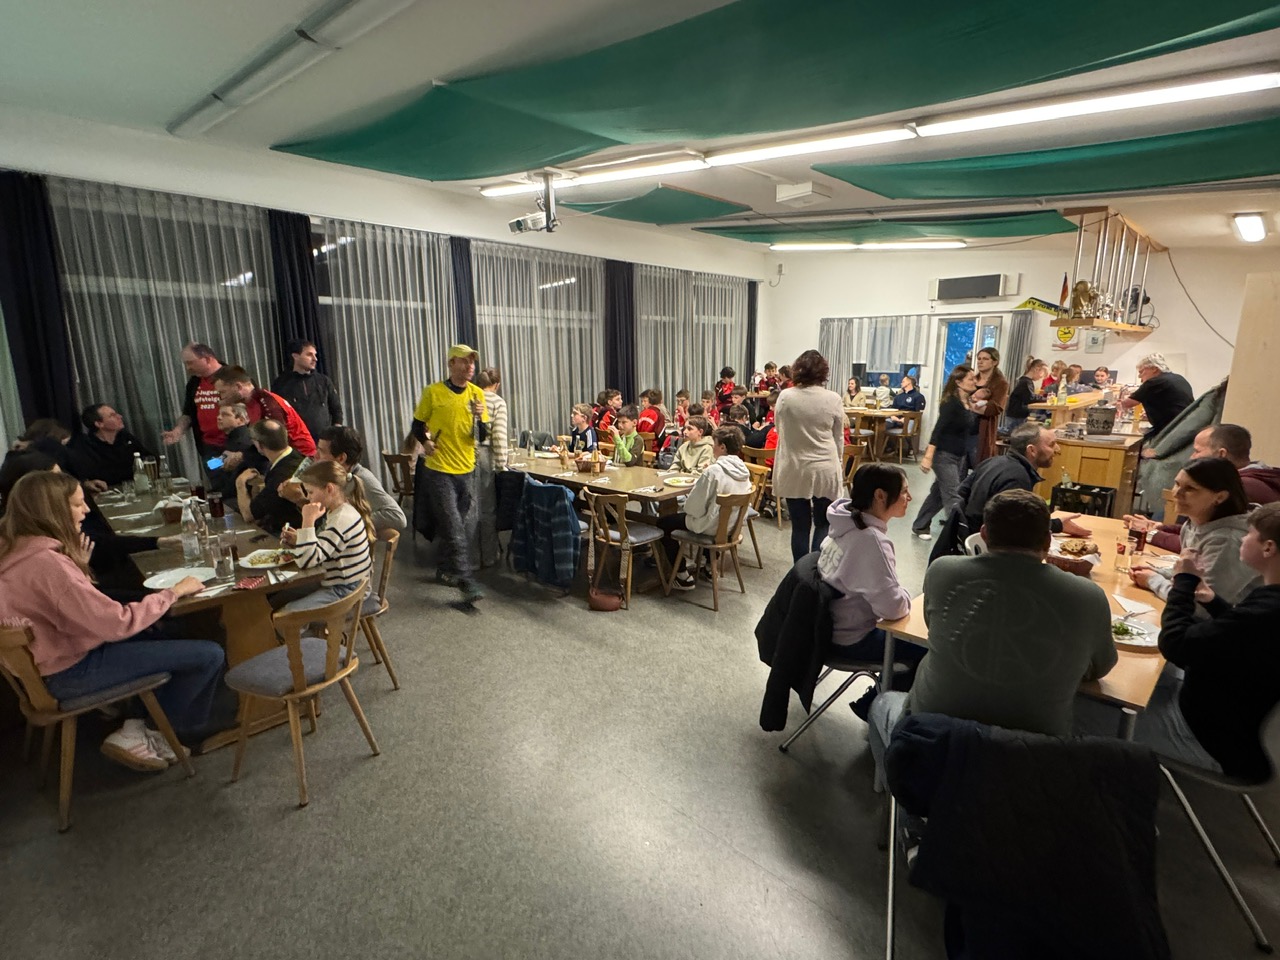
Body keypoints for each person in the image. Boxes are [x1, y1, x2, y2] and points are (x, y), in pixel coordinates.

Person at [868, 490, 1117, 773]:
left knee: (882, 702)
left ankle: (898, 794)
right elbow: (1101, 667)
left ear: (984, 534)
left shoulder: (942, 571)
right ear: (1048, 541)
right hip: (1030, 761)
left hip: (931, 744)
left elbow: (931, 624)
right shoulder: (1088, 597)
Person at [0, 471, 221, 770]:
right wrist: (174, 592)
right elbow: (117, 624)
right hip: (69, 672)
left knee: (158, 631)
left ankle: (137, 723)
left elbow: (75, 614)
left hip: (42, 669)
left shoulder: (12, 551)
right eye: (77, 504)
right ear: (52, 510)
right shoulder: (47, 564)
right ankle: (153, 732)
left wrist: (78, 569)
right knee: (208, 654)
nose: (86, 510)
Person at [1149, 502, 1280, 779]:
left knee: (1078, 708)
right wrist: (1214, 602)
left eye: (1249, 533)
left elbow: (1175, 644)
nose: (1242, 538)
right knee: (1151, 678)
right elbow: (1242, 637)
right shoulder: (1270, 601)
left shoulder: (1267, 611)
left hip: (1209, 741)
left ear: (1268, 548)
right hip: (1229, 721)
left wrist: (1184, 582)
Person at [818, 464, 926, 680]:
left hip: (828, 629)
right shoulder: (871, 541)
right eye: (904, 491)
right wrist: (905, 594)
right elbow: (894, 608)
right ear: (880, 496)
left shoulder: (844, 522)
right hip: (853, 639)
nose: (910, 498)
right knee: (929, 647)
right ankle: (879, 698)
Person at [406, 343, 489, 604]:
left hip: (467, 471)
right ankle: (466, 581)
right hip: (439, 471)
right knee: (454, 527)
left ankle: (444, 569)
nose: (470, 366)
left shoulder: (477, 394)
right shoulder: (433, 392)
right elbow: (417, 426)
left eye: (472, 362)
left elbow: (481, 436)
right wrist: (426, 442)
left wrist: (480, 418)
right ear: (452, 363)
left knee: (456, 526)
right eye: (464, 361)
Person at [928, 423, 1091, 554]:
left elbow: (961, 494)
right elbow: (1015, 527)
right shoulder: (1018, 478)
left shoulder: (992, 462)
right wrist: (1056, 526)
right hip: (988, 552)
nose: (1057, 450)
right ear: (1032, 450)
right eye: (1052, 445)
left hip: (966, 542)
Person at [1129, 458, 1261, 606]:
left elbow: (1200, 606)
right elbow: (1192, 575)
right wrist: (1158, 572)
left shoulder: (1228, 540)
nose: (1176, 493)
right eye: (1177, 484)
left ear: (1220, 497)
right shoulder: (1192, 523)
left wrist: (1153, 580)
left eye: (1190, 488)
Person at [1129, 424, 1280, 551]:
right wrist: (1161, 528)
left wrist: (1151, 534)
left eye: (1197, 451)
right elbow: (1200, 531)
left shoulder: (1241, 488)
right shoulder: (1256, 476)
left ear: (1221, 454)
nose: (1191, 457)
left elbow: (1203, 546)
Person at [657, 425, 752, 590]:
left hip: (710, 527)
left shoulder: (714, 472)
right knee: (713, 513)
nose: (712, 447)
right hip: (731, 527)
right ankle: (709, 567)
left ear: (722, 447)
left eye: (714, 444)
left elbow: (693, 509)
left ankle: (681, 575)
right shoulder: (744, 471)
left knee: (663, 523)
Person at [772, 349, 845, 562]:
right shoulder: (833, 398)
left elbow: (779, 427)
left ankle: (800, 571)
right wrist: (839, 463)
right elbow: (838, 437)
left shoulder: (786, 397)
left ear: (797, 370)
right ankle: (816, 570)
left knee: (800, 526)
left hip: (794, 466)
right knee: (823, 523)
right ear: (823, 372)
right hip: (825, 465)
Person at [278, 461, 374, 612]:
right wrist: (300, 539)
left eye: (310, 492)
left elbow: (306, 561)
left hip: (346, 590)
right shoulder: (338, 510)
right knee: (280, 596)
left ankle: (307, 629)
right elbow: (324, 548)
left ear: (329, 489)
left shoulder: (341, 519)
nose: (308, 497)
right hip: (340, 583)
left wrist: (308, 520)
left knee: (287, 612)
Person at [280, 425, 406, 534]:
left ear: (341, 458)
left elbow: (397, 517)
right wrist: (300, 501)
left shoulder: (361, 478)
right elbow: (326, 523)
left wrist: (351, 523)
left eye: (321, 451)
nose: (315, 456)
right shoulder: (332, 478)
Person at [911, 365, 977, 540]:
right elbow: (938, 430)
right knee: (953, 495)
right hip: (944, 456)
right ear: (959, 382)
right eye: (970, 379)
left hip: (959, 456)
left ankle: (920, 525)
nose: (974, 382)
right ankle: (958, 536)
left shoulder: (967, 403)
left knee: (938, 494)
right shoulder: (951, 404)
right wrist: (928, 456)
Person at [213, 366, 317, 457]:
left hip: (300, 457)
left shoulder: (268, 404)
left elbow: (276, 444)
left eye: (223, 392)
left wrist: (241, 457)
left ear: (239, 387)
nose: (221, 397)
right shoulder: (253, 403)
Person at [234, 420, 304, 535]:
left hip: (287, 532)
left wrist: (240, 483)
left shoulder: (281, 474)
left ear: (259, 445)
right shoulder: (295, 456)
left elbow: (249, 515)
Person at [270, 339, 343, 440]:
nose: (315, 359)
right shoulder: (281, 384)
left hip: (324, 441)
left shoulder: (324, 381)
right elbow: (277, 414)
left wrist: (336, 433)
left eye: (315, 355)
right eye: (309, 355)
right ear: (295, 356)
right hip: (297, 442)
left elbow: (336, 409)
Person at [68, 403, 154, 487]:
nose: (120, 416)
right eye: (112, 415)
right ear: (99, 424)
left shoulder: (126, 438)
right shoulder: (86, 446)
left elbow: (148, 458)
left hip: (135, 487)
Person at [162, 342, 225, 456]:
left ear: (207, 359)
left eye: (190, 363)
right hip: (208, 448)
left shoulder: (233, 377)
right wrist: (178, 431)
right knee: (215, 467)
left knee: (234, 468)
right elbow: (188, 414)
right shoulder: (194, 383)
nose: (188, 368)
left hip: (234, 447)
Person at [473, 367, 508, 567]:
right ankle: (487, 556)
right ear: (496, 384)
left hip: (465, 456)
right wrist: (502, 466)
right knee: (487, 509)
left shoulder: (470, 398)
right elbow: (499, 436)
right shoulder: (497, 402)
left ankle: (470, 558)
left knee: (469, 508)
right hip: (485, 456)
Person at [1119, 353, 1194, 435]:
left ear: (1154, 369)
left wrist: (1115, 402)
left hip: (1172, 430)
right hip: (1187, 426)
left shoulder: (1154, 382)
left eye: (1141, 372)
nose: (1139, 376)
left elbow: (1127, 404)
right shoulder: (1179, 378)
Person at [208, 403, 255, 497]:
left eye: (225, 415)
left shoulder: (243, 441)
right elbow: (212, 465)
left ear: (240, 420)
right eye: (219, 414)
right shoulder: (232, 438)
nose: (219, 417)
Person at [970, 347, 1008, 463]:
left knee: (980, 465)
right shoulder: (971, 379)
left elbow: (993, 408)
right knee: (959, 468)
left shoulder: (1000, 383)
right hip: (963, 428)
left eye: (985, 359)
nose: (980, 362)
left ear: (994, 362)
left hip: (982, 429)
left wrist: (968, 405)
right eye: (979, 359)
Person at [1004, 358, 1048, 433]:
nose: (1041, 377)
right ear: (1037, 369)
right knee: (1014, 434)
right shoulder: (1026, 382)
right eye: (1042, 374)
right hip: (1016, 415)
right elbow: (1030, 398)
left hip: (1017, 414)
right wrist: (1046, 399)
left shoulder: (1026, 381)